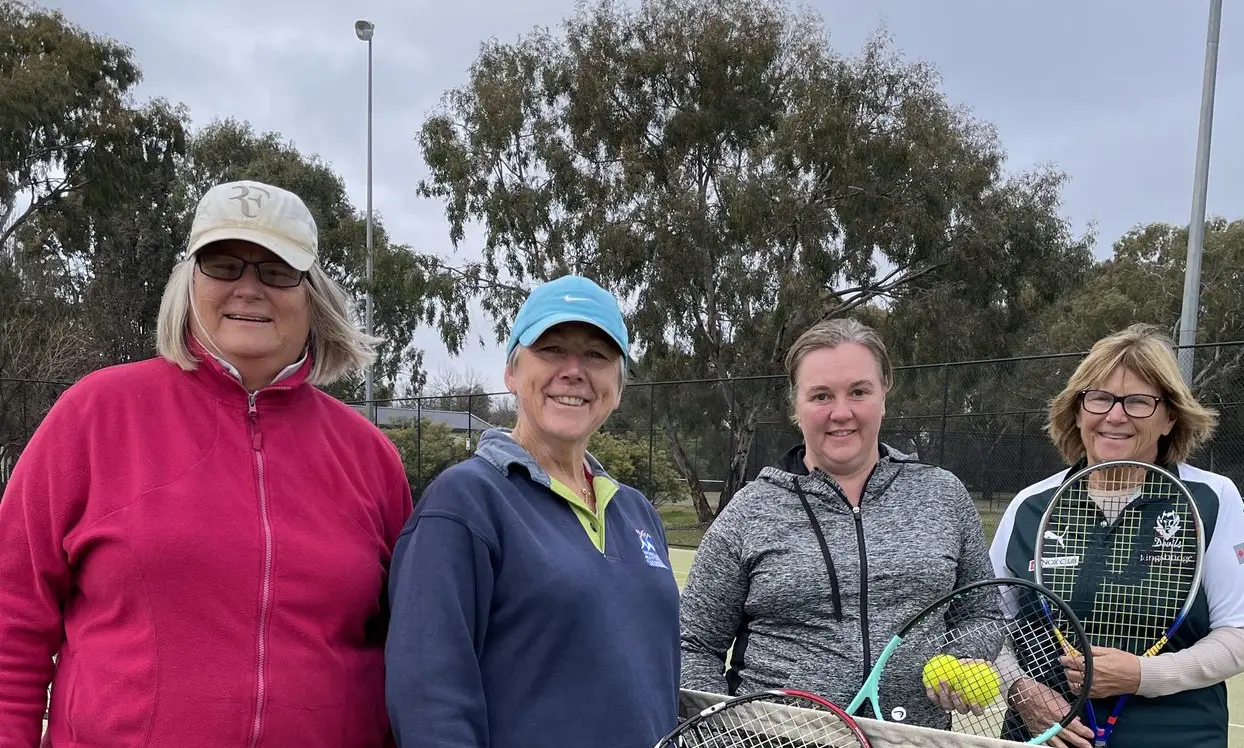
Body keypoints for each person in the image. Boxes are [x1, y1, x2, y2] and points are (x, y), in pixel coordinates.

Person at [0, 179, 415, 747]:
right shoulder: (94, 415)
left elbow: (409, 650)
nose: (249, 288)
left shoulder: (372, 459)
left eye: (276, 270)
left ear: (312, 294)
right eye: (222, 265)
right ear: (189, 281)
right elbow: (11, 620)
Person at [384, 274, 681, 748]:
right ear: (511, 372)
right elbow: (430, 699)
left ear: (618, 387)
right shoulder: (464, 503)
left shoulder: (636, 512)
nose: (573, 370)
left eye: (596, 356)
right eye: (550, 349)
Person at [678, 317, 1003, 730]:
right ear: (795, 405)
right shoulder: (750, 510)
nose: (841, 412)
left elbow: (983, 614)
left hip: (914, 737)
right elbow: (692, 643)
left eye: (858, 392)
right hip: (778, 740)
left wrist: (964, 660)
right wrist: (724, 731)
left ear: (884, 393)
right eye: (820, 396)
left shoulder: (943, 495)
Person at [990, 323, 1244, 748]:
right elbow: (986, 623)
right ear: (1077, 410)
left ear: (1169, 418)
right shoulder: (1030, 506)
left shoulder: (1212, 498)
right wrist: (1020, 691)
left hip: (1175, 736)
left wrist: (1144, 676)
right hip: (1043, 735)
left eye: (1138, 402)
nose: (1115, 415)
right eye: (1100, 397)